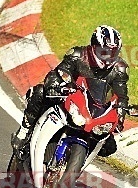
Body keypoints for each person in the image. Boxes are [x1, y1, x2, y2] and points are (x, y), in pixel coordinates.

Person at [11, 25, 129, 157]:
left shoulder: (119, 69)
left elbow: (121, 96)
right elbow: (59, 72)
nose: (108, 56)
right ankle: (24, 132)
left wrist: (120, 116)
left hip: (93, 111)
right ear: (94, 46)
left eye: (113, 53)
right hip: (68, 98)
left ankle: (79, 160)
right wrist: (56, 85)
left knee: (109, 147)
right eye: (104, 51)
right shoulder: (77, 55)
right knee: (39, 92)